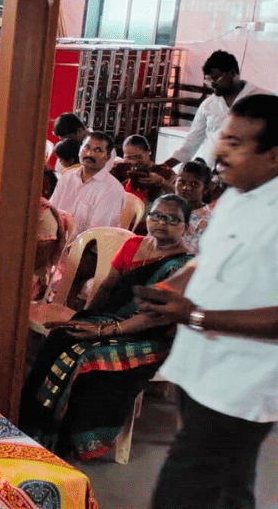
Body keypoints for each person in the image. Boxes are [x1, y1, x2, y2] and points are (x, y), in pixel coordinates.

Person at [140, 94, 278, 509]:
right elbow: (209, 260)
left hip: (241, 383)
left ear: (273, 156)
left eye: (236, 143)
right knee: (229, 487)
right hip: (200, 368)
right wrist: (174, 287)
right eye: (223, 137)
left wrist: (196, 315)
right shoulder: (237, 193)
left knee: (184, 489)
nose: (219, 150)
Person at [20, 194, 194, 460]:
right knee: (61, 337)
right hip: (110, 320)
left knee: (82, 356)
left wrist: (101, 331)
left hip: (151, 335)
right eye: (156, 215)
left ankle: (73, 439)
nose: (162, 223)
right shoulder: (134, 245)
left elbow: (153, 317)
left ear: (186, 227)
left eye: (172, 219)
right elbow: (108, 286)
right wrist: (87, 317)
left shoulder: (184, 264)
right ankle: (35, 426)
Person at [164, 50, 272, 167]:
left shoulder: (264, 100)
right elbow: (191, 142)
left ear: (232, 73)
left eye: (215, 79)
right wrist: (165, 166)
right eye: (208, 80)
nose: (212, 85)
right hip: (211, 173)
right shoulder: (209, 105)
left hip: (247, 174)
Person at [51, 132, 126, 234]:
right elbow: (51, 211)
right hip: (59, 239)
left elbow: (94, 236)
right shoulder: (67, 176)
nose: (90, 154)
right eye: (87, 147)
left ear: (108, 157)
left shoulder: (112, 190)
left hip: (86, 247)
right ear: (80, 149)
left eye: (98, 150)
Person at [110, 134, 175, 205]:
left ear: (148, 151)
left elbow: (178, 194)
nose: (134, 161)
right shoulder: (122, 168)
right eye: (129, 158)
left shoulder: (163, 171)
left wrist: (161, 182)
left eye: (138, 157)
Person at [172, 159, 213, 253]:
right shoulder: (164, 208)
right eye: (181, 182)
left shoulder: (209, 219)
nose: (185, 188)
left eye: (194, 184)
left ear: (205, 189)